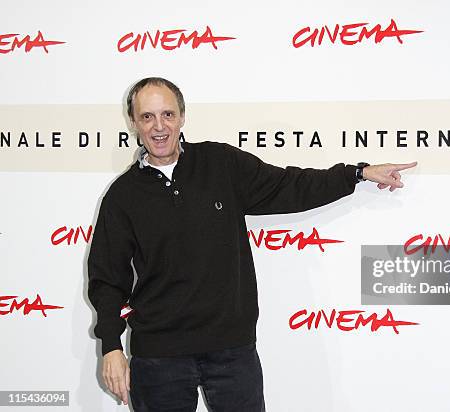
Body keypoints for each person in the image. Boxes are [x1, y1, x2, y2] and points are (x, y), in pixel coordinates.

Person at [87, 77, 417, 411]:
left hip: (231, 352)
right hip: (158, 357)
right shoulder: (122, 196)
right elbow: (107, 281)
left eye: (168, 115)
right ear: (134, 122)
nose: (159, 126)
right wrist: (112, 345)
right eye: (148, 117)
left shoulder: (220, 164)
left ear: (182, 117)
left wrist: (357, 174)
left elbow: (292, 185)